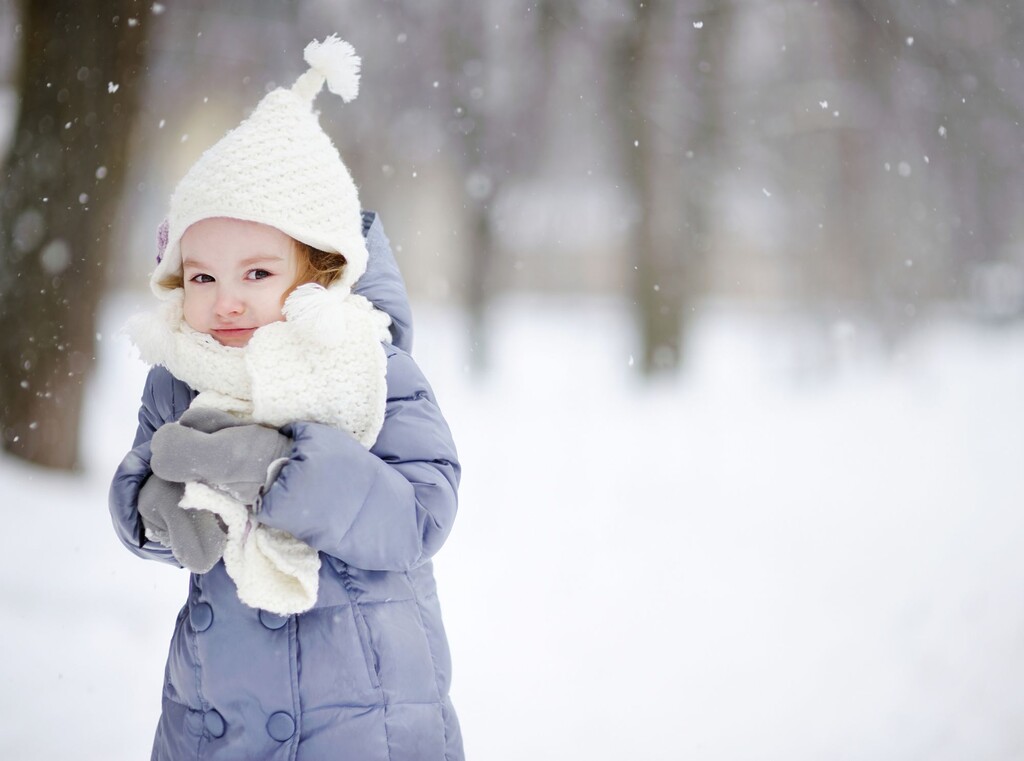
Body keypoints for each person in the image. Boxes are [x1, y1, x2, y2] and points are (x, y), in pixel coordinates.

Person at [108, 36, 464, 760]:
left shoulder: (369, 365)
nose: (226, 301)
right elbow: (137, 485)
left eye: (257, 272)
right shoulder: (180, 375)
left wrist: (281, 472)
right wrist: (158, 511)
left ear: (320, 271)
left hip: (367, 719)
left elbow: (422, 510)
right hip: (217, 715)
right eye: (202, 278)